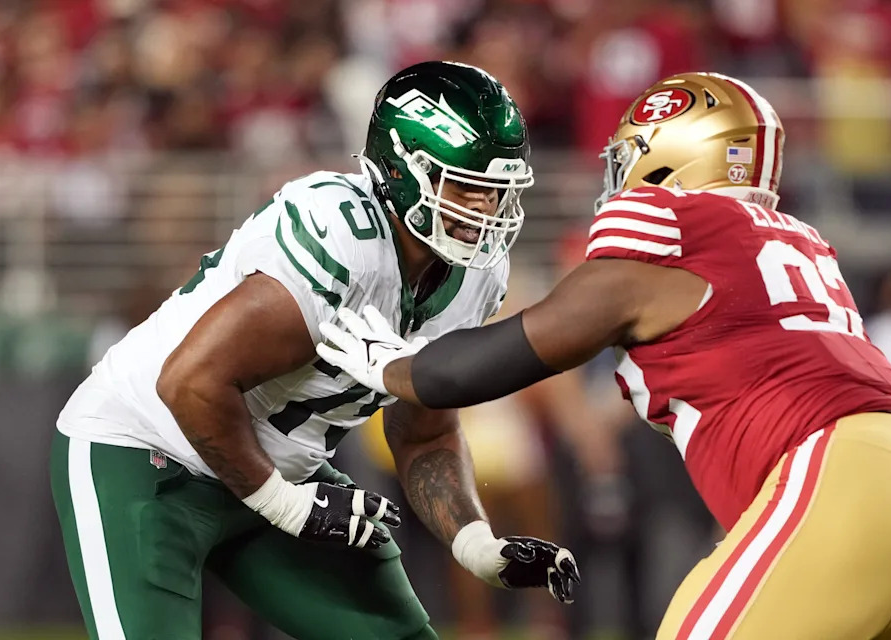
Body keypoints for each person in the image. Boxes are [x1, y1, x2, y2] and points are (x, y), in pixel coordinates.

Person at [317, 71, 891, 639]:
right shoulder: (798, 244)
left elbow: (489, 361)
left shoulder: (670, 233)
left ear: (666, 163)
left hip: (836, 474)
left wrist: (387, 362)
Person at [50, 61, 579, 640]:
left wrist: (477, 545)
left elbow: (424, 431)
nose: (485, 211)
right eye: (467, 186)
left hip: (279, 472)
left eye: (498, 191)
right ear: (406, 171)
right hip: (146, 449)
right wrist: (288, 506)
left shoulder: (477, 275)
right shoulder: (340, 231)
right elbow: (190, 384)